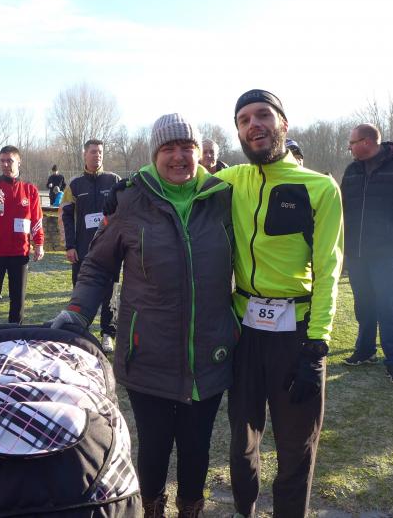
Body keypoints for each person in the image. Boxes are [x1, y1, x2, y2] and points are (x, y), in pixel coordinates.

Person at [52, 113, 237, 517]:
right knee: (154, 445)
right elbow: (98, 266)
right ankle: (151, 508)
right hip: (147, 352)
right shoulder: (131, 200)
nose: (178, 156)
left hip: (209, 352)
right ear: (154, 154)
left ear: (199, 152)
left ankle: (191, 508)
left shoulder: (223, 198)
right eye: (168, 148)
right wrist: (78, 312)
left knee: (197, 445)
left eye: (186, 147)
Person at [214, 90, 343, 518]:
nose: (254, 124)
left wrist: (317, 345)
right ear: (238, 132)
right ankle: (244, 510)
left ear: (283, 124)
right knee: (241, 440)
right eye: (244, 119)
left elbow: (328, 270)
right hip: (244, 331)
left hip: (297, 335)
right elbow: (176, 173)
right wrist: (129, 184)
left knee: (296, 446)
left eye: (263, 115)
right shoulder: (231, 180)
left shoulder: (319, 188)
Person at [340, 123, 393, 386]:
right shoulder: (352, 170)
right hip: (356, 253)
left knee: (389, 308)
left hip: (386, 253)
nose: (349, 148)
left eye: (352, 143)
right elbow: (342, 207)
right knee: (363, 304)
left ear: (367, 142)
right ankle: (365, 351)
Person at [0, 145, 44, 326]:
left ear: (19, 162)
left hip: (20, 253)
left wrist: (39, 244)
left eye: (9, 160)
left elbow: (36, 220)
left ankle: (15, 334)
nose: (5, 164)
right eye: (2, 161)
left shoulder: (30, 189)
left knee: (18, 298)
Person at [60, 139, 120, 353]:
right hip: (83, 248)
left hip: (110, 248)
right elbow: (66, 217)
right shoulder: (75, 185)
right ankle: (79, 331)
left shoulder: (113, 180)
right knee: (80, 290)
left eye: (100, 152)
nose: (98, 155)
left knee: (110, 291)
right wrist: (70, 246)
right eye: (93, 152)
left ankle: (108, 333)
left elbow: (123, 212)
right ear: (84, 154)